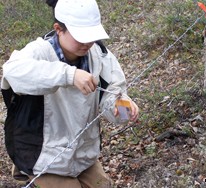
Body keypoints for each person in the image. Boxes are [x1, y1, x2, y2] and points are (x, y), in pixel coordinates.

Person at [1, 0, 139, 187]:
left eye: (90, 36)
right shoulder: (39, 52)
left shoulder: (100, 55)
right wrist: (69, 75)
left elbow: (114, 94)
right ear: (58, 29)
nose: (87, 43)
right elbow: (13, 72)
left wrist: (123, 109)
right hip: (41, 157)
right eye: (80, 37)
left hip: (83, 155)